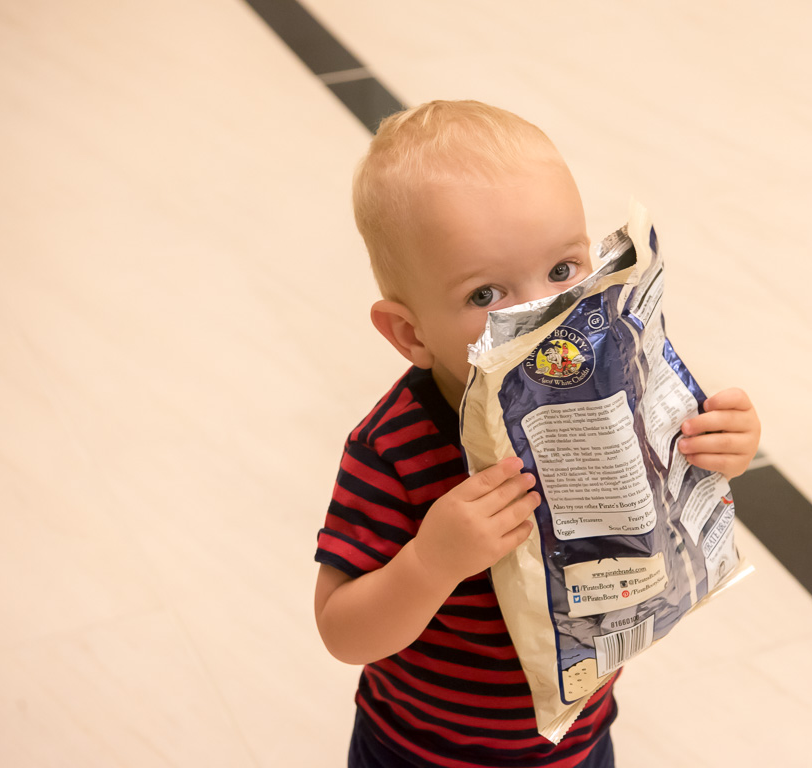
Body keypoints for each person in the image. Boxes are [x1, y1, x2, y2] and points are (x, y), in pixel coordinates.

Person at [313, 100, 762, 768]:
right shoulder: (393, 447)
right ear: (410, 333)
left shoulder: (612, 386)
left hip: (575, 740)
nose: (542, 313)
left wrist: (722, 445)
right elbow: (342, 631)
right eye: (485, 294)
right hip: (421, 754)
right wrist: (428, 564)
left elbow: (668, 490)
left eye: (561, 271)